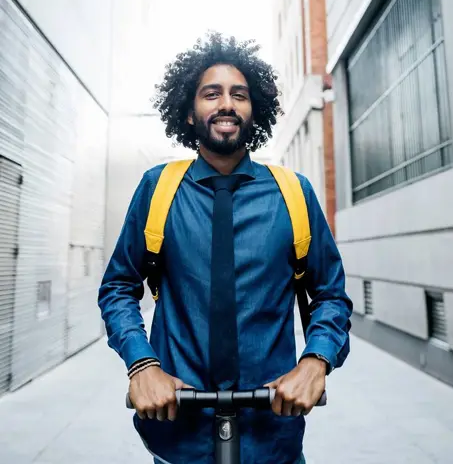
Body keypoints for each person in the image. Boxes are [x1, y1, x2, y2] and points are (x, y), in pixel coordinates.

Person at [98, 32, 352, 464]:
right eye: (210, 94)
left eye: (239, 94)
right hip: (179, 435)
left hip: (272, 437)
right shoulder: (158, 189)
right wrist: (142, 365)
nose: (226, 104)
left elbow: (330, 294)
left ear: (255, 111)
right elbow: (119, 286)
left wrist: (316, 360)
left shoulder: (293, 194)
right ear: (190, 112)